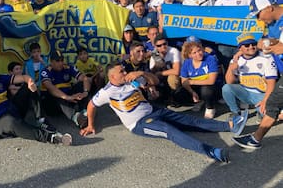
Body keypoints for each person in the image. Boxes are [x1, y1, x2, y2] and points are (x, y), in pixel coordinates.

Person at [80, 61, 249, 163]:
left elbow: (154, 81)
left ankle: (230, 125)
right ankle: (211, 152)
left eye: (124, 70)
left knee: (188, 120)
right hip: (139, 123)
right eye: (121, 72)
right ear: (112, 77)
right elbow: (91, 105)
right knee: (170, 131)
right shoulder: (106, 92)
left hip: (154, 110)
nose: (125, 73)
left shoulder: (131, 80)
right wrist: (90, 124)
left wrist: (142, 73)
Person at [0, 55, 72, 145]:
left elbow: (23, 77)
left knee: (30, 88)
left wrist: (30, 82)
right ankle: (52, 138)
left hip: (13, 110)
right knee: (11, 122)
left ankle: (41, 121)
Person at [222, 33, 277, 119]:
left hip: (262, 94)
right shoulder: (236, 59)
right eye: (247, 45)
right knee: (226, 88)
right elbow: (229, 82)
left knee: (268, 116)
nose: (251, 47)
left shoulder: (266, 57)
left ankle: (259, 111)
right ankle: (235, 112)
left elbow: (271, 83)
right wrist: (231, 69)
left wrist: (265, 101)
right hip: (245, 92)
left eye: (253, 44)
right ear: (240, 48)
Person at [41, 50, 91, 128]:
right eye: (57, 61)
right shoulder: (46, 71)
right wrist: (67, 97)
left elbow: (84, 78)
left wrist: (85, 92)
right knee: (56, 95)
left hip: (68, 98)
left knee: (81, 85)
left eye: (62, 60)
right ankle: (77, 118)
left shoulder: (68, 67)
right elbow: (50, 88)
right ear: (51, 62)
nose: (60, 63)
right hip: (53, 104)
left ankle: (85, 112)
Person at [180, 41, 220, 119]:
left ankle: (210, 107)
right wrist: (192, 92)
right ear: (189, 55)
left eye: (199, 50)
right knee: (179, 93)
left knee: (206, 90)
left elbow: (211, 81)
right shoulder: (187, 62)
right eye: (194, 53)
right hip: (196, 87)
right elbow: (184, 81)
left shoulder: (210, 59)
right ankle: (199, 101)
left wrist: (192, 81)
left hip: (212, 87)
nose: (198, 54)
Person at [149, 34, 181, 103]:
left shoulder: (173, 51)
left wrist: (160, 73)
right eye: (159, 45)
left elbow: (177, 71)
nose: (163, 47)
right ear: (155, 47)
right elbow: (152, 73)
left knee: (172, 78)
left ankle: (175, 97)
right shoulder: (154, 55)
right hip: (162, 78)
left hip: (177, 77)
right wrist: (157, 64)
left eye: (164, 44)